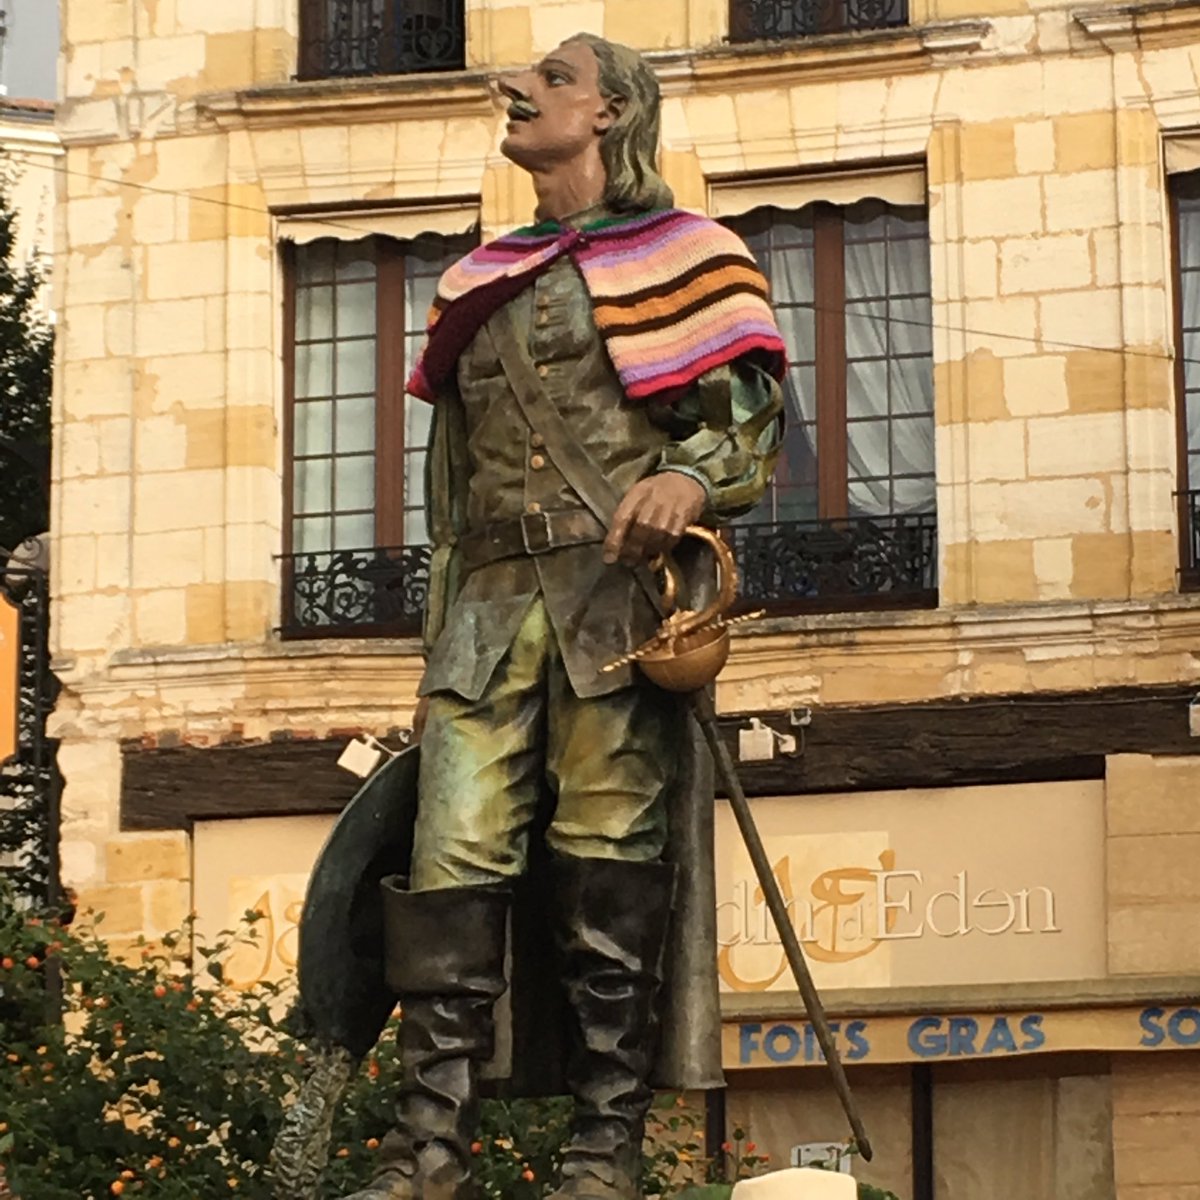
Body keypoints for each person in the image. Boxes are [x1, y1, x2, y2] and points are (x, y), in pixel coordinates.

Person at [345, 33, 786, 1200]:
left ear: (608, 113)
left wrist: (691, 478)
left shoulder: (695, 256)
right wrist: (437, 614)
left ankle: (608, 1145)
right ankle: (425, 1145)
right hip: (484, 613)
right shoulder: (477, 276)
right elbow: (447, 485)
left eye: (551, 79)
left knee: (609, 865)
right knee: (449, 864)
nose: (518, 88)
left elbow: (745, 424)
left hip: (612, 613)